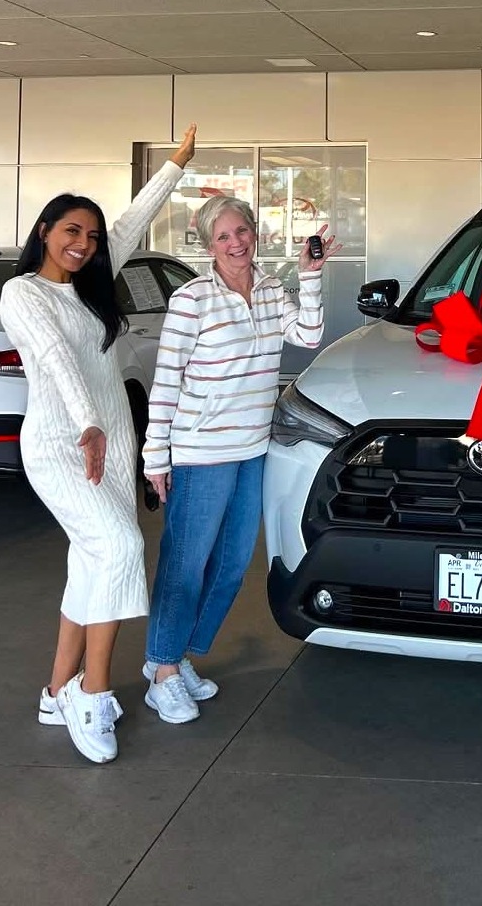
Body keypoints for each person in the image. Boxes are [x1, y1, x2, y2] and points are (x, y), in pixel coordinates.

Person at [0, 124, 198, 763]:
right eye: (70, 233)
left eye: (89, 234)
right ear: (43, 235)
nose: (83, 244)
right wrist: (87, 424)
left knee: (90, 562)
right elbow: (56, 360)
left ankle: (55, 689)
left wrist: (173, 166)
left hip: (110, 444)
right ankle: (94, 690)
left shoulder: (87, 291)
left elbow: (132, 224)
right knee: (117, 546)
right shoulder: (22, 292)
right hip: (63, 443)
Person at [140, 196, 341, 724]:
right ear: (209, 245)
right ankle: (161, 669)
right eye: (224, 236)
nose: (236, 243)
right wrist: (154, 456)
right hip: (200, 453)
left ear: (256, 235)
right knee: (185, 565)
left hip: (252, 450)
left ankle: (177, 653)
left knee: (230, 567)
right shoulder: (191, 300)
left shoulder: (273, 291)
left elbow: (308, 335)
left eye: (243, 232)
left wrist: (310, 276)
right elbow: (165, 384)